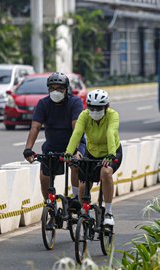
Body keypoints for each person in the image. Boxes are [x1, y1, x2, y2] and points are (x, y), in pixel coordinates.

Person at [23, 72, 85, 203]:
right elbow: (35, 127)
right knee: (44, 176)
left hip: (74, 145)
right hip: (52, 145)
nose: (55, 91)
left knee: (75, 165)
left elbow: (77, 130)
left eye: (59, 88)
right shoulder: (43, 104)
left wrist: (74, 150)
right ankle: (49, 204)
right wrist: (28, 149)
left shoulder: (75, 103)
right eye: (52, 88)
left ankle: (75, 198)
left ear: (66, 89)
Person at [63, 89, 123, 226]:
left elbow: (110, 133)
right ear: (87, 106)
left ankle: (108, 212)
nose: (95, 111)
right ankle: (85, 212)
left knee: (106, 172)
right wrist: (68, 152)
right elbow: (77, 133)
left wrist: (110, 154)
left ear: (106, 107)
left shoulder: (113, 115)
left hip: (112, 152)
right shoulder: (84, 115)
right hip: (92, 153)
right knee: (83, 184)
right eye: (92, 107)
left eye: (99, 108)